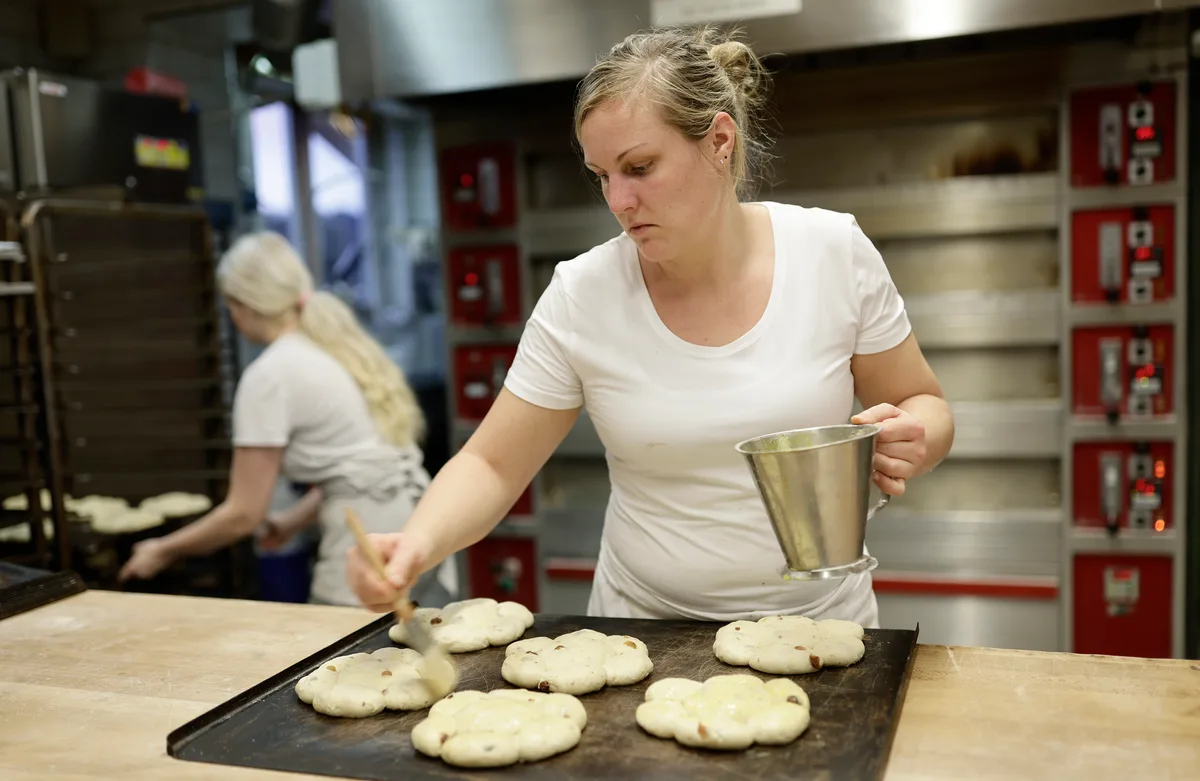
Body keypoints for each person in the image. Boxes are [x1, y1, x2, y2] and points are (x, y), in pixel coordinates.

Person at [346, 25, 955, 627]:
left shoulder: (831, 253)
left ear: (719, 140)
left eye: (639, 167)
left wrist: (916, 435)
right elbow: (494, 464)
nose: (618, 200)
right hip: (643, 635)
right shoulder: (584, 294)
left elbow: (920, 401)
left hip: (820, 626)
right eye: (602, 175)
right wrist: (417, 544)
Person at [117, 231, 457, 608]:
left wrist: (163, 550)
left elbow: (243, 514)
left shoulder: (269, 375)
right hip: (417, 532)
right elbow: (355, 464)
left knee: (345, 662)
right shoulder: (340, 347)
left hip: (368, 549)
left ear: (240, 306)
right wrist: (294, 520)